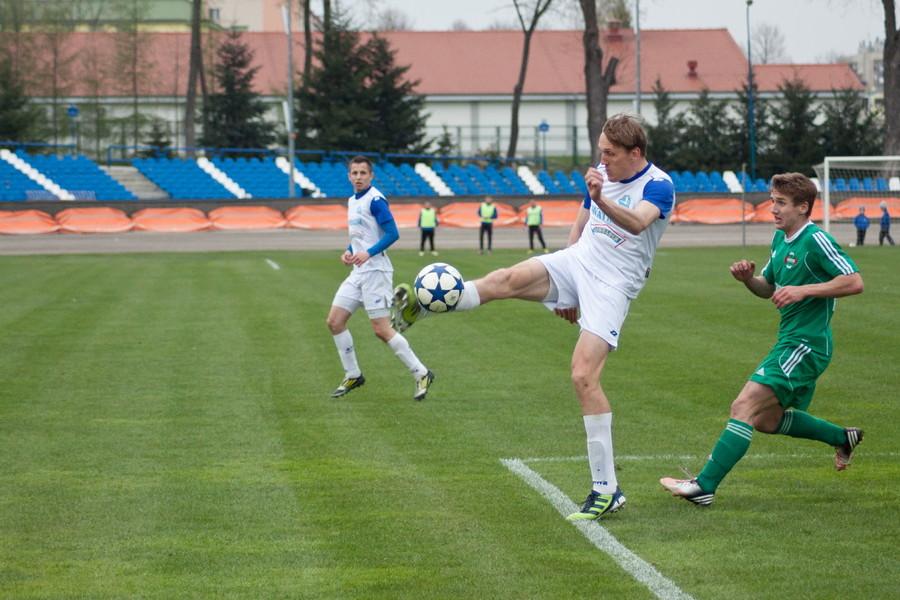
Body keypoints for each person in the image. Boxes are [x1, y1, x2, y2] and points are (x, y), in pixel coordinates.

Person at [393, 114, 675, 520]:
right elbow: (581, 226)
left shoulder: (658, 185)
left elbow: (636, 223)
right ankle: (422, 305)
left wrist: (600, 199)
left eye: (610, 153)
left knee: (583, 376)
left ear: (635, 152)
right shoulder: (602, 176)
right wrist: (568, 279)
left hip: (612, 285)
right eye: (600, 151)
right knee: (504, 279)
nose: (602, 160)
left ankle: (606, 489)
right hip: (578, 262)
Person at [660, 172, 864, 507]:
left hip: (806, 345)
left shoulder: (816, 240)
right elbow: (767, 287)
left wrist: (803, 290)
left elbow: (854, 281)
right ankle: (842, 437)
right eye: (772, 201)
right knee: (766, 420)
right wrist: (747, 279)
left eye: (781, 203)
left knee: (743, 406)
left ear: (803, 207)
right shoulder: (780, 239)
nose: (773, 209)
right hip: (791, 341)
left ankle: (704, 486)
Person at [326, 156, 435, 401]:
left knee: (381, 330)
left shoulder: (375, 200)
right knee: (334, 322)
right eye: (354, 173)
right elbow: (360, 236)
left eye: (363, 173)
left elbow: (392, 233)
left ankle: (422, 373)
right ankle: (353, 374)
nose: (358, 177)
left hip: (376, 272)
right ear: (349, 176)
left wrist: (368, 253)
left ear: (371, 175)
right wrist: (349, 251)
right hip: (359, 272)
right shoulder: (352, 200)